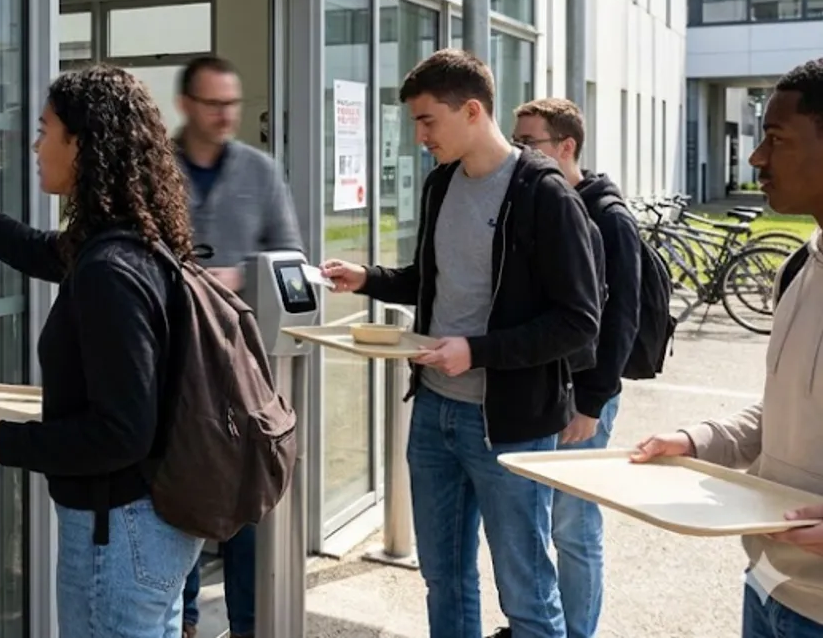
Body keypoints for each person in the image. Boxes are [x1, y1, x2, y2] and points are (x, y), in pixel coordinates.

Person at [0, 65, 204, 638]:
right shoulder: (125, 242)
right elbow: (33, 249)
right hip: (140, 525)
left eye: (45, 129)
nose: (36, 145)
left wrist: (2, 441)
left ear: (82, 143)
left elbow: (121, 432)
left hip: (121, 534)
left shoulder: (110, 270)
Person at [321, 49, 603, 638]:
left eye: (427, 121)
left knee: (526, 590)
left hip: (510, 426)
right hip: (434, 413)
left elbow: (578, 321)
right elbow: (434, 280)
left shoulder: (544, 194)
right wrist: (369, 278)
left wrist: (475, 351)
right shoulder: (441, 183)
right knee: (443, 578)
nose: (419, 135)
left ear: (472, 110)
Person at [632, 58, 823, 638]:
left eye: (776, 138)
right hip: (767, 585)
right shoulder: (799, 266)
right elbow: (784, 411)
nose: (757, 158)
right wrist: (697, 442)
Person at [173, 55, 303, 638]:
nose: (226, 114)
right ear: (186, 106)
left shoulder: (259, 170)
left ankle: (248, 624)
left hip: (239, 367)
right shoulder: (156, 167)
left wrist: (234, 276)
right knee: (177, 495)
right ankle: (185, 620)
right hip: (171, 360)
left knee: (245, 497)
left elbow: (290, 258)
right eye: (213, 104)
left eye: (233, 104)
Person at [511, 98, 643, 638]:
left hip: (585, 397)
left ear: (565, 147)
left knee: (574, 524)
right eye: (515, 141)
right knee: (544, 519)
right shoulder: (543, 201)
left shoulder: (608, 217)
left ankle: (578, 632)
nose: (518, 153)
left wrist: (592, 402)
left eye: (528, 143)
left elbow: (622, 318)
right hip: (549, 391)